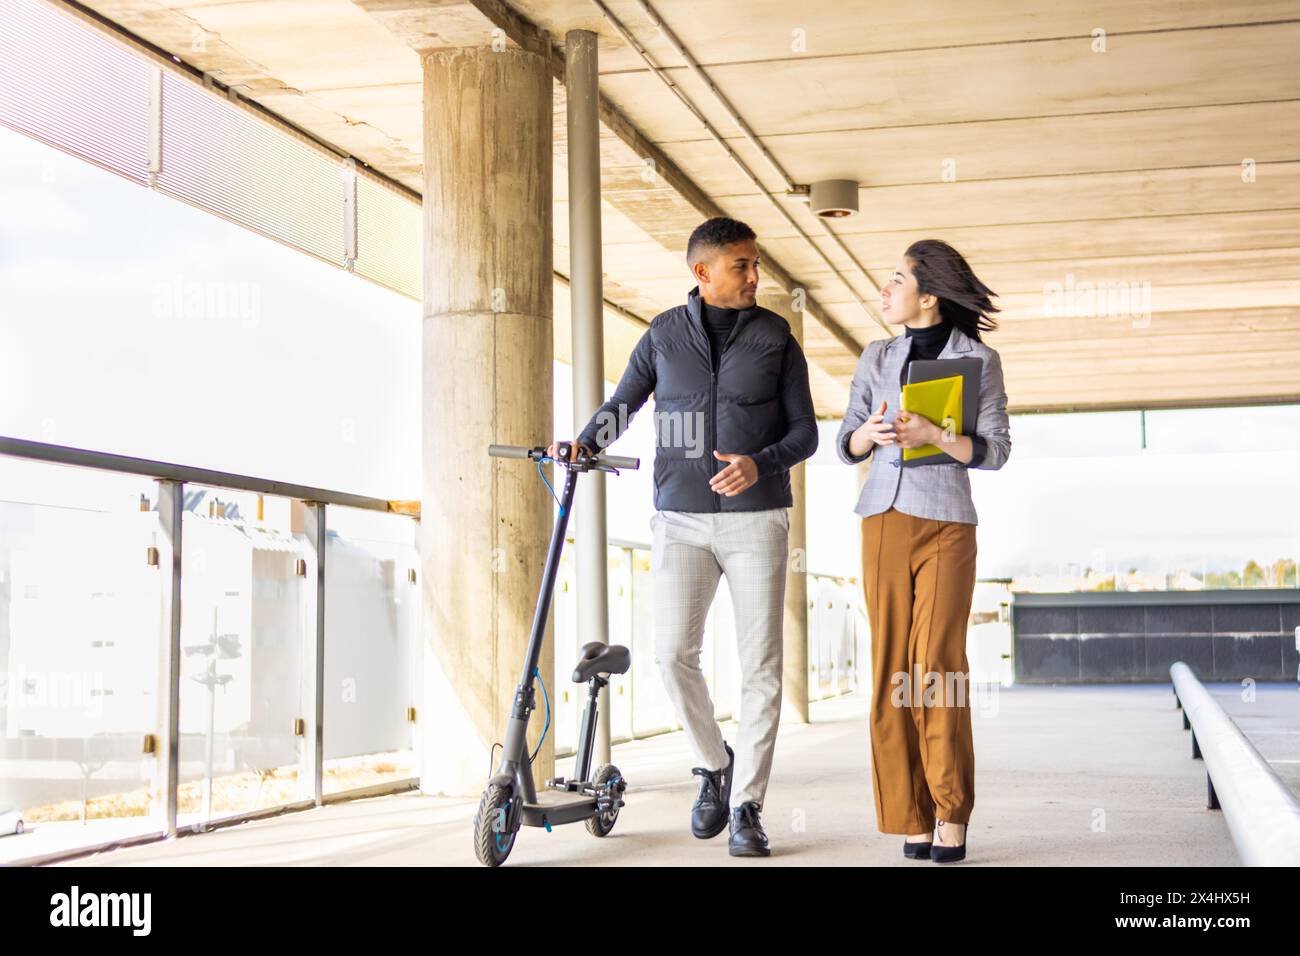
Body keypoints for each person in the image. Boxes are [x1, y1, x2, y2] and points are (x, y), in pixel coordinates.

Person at [550, 216, 818, 857]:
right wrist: (585, 442)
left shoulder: (776, 336)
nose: (756, 276)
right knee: (670, 654)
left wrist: (762, 462)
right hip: (679, 519)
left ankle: (747, 805)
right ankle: (713, 762)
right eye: (742, 266)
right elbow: (625, 403)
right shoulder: (664, 334)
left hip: (758, 519)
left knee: (762, 669)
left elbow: (805, 431)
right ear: (702, 273)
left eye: (756, 265)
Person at [836, 238, 1011, 864]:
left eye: (895, 281)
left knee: (935, 664)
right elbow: (845, 441)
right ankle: (909, 814)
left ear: (928, 294)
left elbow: (995, 450)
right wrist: (868, 433)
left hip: (947, 524)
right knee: (890, 669)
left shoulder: (979, 361)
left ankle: (949, 810)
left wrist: (937, 433)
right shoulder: (876, 354)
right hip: (882, 516)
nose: (884, 291)